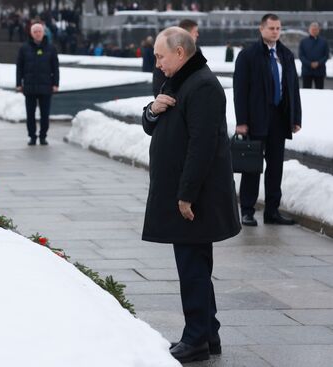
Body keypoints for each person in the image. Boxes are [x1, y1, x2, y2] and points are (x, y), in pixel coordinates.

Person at [141, 27, 240, 364]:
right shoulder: (178, 79)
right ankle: (208, 333)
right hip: (185, 193)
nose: (157, 63)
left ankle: (196, 339)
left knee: (192, 267)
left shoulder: (203, 86)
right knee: (195, 263)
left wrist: (185, 196)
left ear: (179, 53)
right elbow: (151, 123)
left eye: (160, 56)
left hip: (196, 198)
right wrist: (153, 109)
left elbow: (203, 147)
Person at [234, 13, 302, 226]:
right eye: (271, 28)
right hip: (255, 119)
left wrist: (295, 117)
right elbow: (240, 90)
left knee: (275, 167)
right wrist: (242, 121)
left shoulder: (286, 55)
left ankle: (272, 211)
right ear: (261, 29)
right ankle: (247, 210)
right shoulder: (248, 55)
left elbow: (293, 88)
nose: (275, 32)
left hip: (279, 119)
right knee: (252, 166)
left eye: (278, 28)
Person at [16, 23, 59, 146]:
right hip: (29, 86)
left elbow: (55, 68)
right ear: (31, 33)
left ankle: (43, 136)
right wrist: (19, 83)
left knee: (45, 114)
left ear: (43, 32)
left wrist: (55, 83)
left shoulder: (51, 48)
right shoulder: (24, 48)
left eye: (39, 31)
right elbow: (19, 67)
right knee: (30, 114)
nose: (37, 33)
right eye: (35, 31)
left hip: (46, 86)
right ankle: (32, 136)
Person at [152, 19, 199, 97]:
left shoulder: (197, 52)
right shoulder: (166, 50)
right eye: (195, 32)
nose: (197, 34)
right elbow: (159, 83)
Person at [299, 22, 330, 89]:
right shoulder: (303, 42)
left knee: (320, 92)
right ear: (309, 30)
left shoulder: (324, 42)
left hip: (320, 71)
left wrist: (318, 63)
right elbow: (301, 56)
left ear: (318, 30)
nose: (314, 31)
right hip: (307, 71)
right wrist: (310, 64)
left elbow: (326, 55)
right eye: (312, 29)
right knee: (306, 92)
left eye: (316, 29)